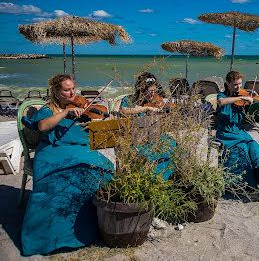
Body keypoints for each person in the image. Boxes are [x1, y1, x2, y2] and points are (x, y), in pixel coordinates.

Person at [21, 74, 114, 256]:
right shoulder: (49, 109)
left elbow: (98, 125)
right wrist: (64, 113)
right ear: (56, 92)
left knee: (104, 168)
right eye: (66, 89)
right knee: (61, 179)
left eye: (73, 88)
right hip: (53, 152)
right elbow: (41, 127)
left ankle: (98, 228)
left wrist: (102, 117)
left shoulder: (81, 107)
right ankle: (50, 238)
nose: (72, 93)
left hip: (80, 148)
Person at [119, 72, 175, 180]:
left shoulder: (153, 100)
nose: (153, 94)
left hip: (152, 138)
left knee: (172, 143)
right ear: (141, 90)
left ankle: (165, 178)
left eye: (154, 91)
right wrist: (146, 109)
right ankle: (151, 179)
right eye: (150, 92)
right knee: (148, 153)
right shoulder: (128, 100)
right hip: (135, 140)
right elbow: (124, 110)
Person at [216, 70, 259, 187]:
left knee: (254, 146)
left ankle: (258, 179)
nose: (238, 87)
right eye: (235, 84)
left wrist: (252, 106)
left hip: (239, 130)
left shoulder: (243, 97)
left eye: (240, 84)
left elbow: (247, 118)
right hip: (226, 132)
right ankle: (242, 183)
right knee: (241, 149)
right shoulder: (221, 96)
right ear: (228, 83)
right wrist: (239, 97)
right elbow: (222, 102)